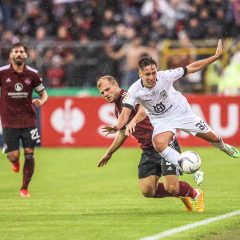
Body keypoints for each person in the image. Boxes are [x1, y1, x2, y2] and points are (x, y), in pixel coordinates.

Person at [102, 39, 240, 173]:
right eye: (147, 74)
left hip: (181, 113)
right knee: (159, 144)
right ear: (140, 74)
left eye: (153, 73)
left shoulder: (165, 76)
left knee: (213, 138)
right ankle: (188, 166)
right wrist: (116, 126)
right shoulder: (134, 90)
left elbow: (191, 68)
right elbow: (125, 114)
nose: (151, 77)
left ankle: (225, 147)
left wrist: (215, 57)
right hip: (161, 120)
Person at [97, 75, 205, 212]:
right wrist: (109, 153)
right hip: (148, 149)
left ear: (116, 85)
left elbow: (143, 110)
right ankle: (180, 193)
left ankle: (195, 194)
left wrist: (132, 122)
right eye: (102, 93)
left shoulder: (129, 97)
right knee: (147, 191)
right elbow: (123, 132)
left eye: (107, 89)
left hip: (165, 144)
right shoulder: (118, 108)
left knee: (171, 187)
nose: (105, 94)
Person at [0, 42, 48, 198]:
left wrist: (42, 101)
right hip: (9, 121)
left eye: (22, 51)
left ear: (26, 55)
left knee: (29, 153)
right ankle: (14, 161)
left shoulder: (32, 74)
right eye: (16, 51)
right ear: (11, 55)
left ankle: (24, 188)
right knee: (13, 155)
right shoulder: (2, 73)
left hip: (28, 120)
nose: (19, 53)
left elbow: (44, 94)